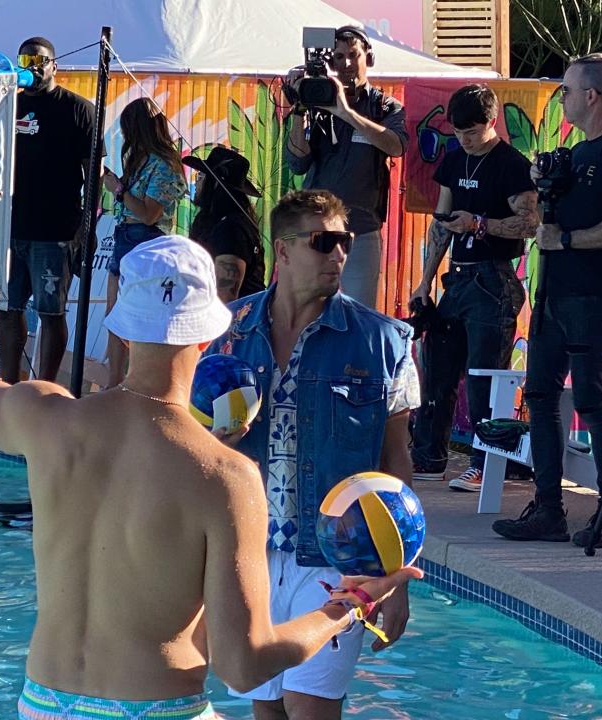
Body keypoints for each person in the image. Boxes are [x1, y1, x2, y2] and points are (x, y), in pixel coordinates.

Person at [0, 234, 422, 719]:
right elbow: (243, 666)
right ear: (208, 336)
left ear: (123, 332)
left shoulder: (44, 416)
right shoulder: (225, 477)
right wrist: (350, 604)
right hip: (159, 708)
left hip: (43, 703)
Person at [206, 190, 420, 719]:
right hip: (246, 552)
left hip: (336, 558)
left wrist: (397, 580)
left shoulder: (384, 342)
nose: (339, 255)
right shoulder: (223, 334)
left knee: (311, 708)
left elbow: (397, 465)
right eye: (323, 243)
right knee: (266, 710)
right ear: (282, 250)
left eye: (345, 242)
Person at [492, 54, 602, 548]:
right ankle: (549, 511)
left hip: (594, 294)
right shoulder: (579, 153)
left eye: (565, 90)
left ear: (591, 96)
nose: (560, 97)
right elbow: (550, 224)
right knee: (539, 395)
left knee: (590, 401)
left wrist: (567, 240)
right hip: (556, 295)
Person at [408, 85, 537, 492]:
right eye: (459, 130)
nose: (465, 138)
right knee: (439, 369)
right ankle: (429, 457)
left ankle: (487, 461)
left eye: (473, 131)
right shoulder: (453, 159)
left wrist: (480, 224)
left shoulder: (512, 165)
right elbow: (441, 221)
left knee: (483, 376)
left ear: (492, 121)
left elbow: (530, 223)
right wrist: (425, 281)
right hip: (457, 276)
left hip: (493, 276)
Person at [283, 25, 408, 309]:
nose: (348, 64)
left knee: (357, 315)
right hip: (315, 229)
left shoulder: (385, 106)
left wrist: (345, 112)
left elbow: (396, 146)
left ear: (369, 58)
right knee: (307, 311)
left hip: (360, 231)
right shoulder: (315, 103)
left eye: (354, 55)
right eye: (339, 57)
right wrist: (299, 109)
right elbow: (297, 162)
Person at [0, 36, 93, 385]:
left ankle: (46, 388)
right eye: (25, 61)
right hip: (10, 228)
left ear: (54, 65)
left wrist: (85, 229)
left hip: (56, 230)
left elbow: (92, 173)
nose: (32, 68)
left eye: (39, 61)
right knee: (7, 310)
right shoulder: (10, 105)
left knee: (51, 312)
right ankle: (9, 385)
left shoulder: (78, 109)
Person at [102, 97, 187, 387]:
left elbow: (150, 214)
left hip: (146, 240)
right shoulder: (140, 159)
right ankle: (114, 381)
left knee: (134, 318)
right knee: (114, 316)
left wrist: (119, 190)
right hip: (126, 235)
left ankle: (130, 384)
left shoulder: (163, 164)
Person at [184, 145, 265, 302]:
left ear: (214, 184)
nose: (196, 184)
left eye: (200, 177)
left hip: (236, 320)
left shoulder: (231, 229)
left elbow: (226, 297)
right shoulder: (214, 222)